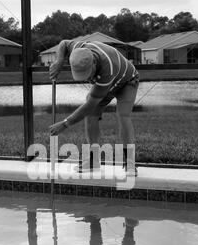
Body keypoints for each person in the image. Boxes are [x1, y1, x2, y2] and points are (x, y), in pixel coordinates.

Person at [49, 40, 139, 174]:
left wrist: (65, 124)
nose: (87, 79)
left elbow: (90, 105)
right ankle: (93, 161)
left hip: (127, 81)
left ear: (94, 63)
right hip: (107, 82)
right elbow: (63, 44)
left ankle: (130, 163)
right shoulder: (78, 49)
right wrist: (59, 61)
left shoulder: (107, 67)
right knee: (91, 116)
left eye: (88, 74)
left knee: (123, 115)